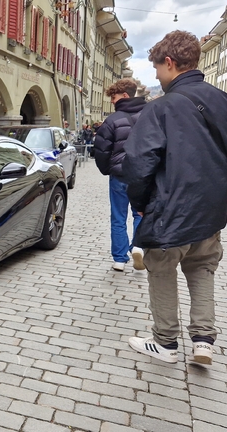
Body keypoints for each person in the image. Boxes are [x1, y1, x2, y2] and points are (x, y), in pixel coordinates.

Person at [123, 30, 227, 365]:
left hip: (170, 209)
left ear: (169, 63)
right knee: (202, 269)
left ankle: (165, 343)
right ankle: (203, 342)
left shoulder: (161, 108)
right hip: (211, 211)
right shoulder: (222, 101)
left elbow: (138, 164)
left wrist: (140, 205)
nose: (156, 75)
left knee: (162, 268)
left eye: (156, 68)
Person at [92, 78, 146, 272]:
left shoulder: (112, 120)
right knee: (141, 214)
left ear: (125, 96)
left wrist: (108, 169)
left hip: (120, 176)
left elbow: (101, 150)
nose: (112, 102)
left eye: (114, 98)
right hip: (142, 176)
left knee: (118, 217)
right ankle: (139, 246)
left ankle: (119, 259)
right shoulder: (149, 116)